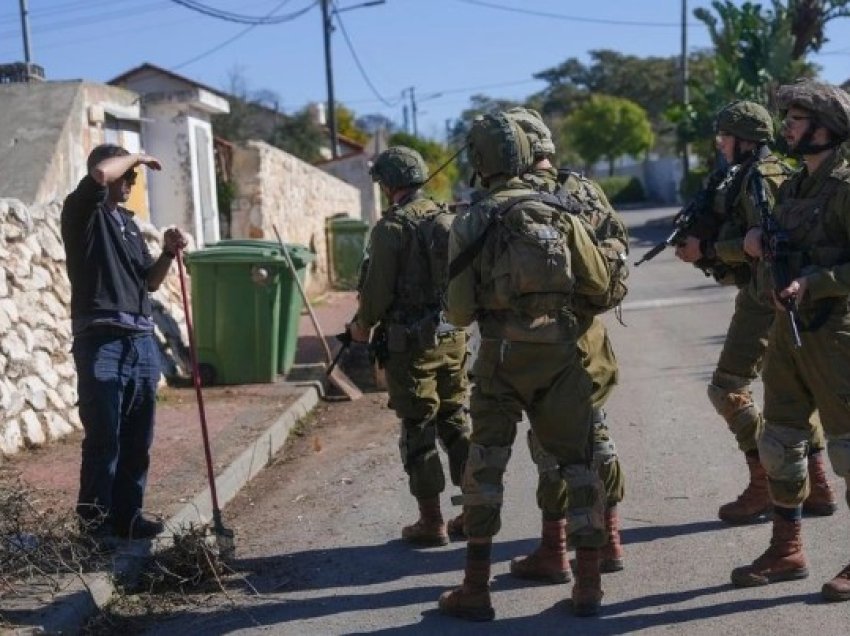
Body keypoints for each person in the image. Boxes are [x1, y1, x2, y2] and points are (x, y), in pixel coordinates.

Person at [438, 112, 610, 620]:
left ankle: (475, 588)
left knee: (485, 466)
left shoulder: (472, 219)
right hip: (561, 357)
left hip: (500, 360)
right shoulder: (561, 210)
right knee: (579, 464)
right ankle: (589, 588)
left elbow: (460, 311)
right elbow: (600, 288)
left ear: (480, 161)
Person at [674, 100, 836, 524]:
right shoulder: (778, 171)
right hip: (779, 296)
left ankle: (765, 481)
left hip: (765, 297)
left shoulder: (758, 178)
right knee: (795, 398)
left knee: (727, 389)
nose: (720, 145)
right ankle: (816, 484)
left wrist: (705, 249)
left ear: (744, 139)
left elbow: (762, 243)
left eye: (725, 136)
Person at [731, 79, 850, 602]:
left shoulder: (846, 185)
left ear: (827, 128)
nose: (788, 129)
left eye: (797, 120)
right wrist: (754, 241)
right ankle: (788, 548)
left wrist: (816, 282)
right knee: (779, 441)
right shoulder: (794, 185)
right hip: (788, 332)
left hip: (836, 335)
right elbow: (776, 243)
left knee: (849, 449)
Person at [504, 107, 628, 582]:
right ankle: (610, 536)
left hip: (534, 343)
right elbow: (617, 250)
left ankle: (555, 549)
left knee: (548, 444)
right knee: (595, 433)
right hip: (589, 335)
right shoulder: (585, 189)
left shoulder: (510, 199)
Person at [61, 143, 187, 540]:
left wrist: (168, 253)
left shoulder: (128, 224)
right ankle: (95, 526)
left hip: (140, 340)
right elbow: (100, 174)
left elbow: (148, 281)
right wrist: (139, 156)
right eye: (128, 174)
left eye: (135, 175)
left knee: (137, 437)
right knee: (104, 436)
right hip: (102, 341)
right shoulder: (83, 211)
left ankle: (128, 517)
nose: (132, 180)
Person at [347, 146, 470, 547]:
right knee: (454, 420)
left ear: (387, 184)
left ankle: (431, 520)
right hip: (452, 338)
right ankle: (473, 510)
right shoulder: (447, 217)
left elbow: (377, 291)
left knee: (418, 426)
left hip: (411, 346)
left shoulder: (391, 228)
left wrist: (361, 325)